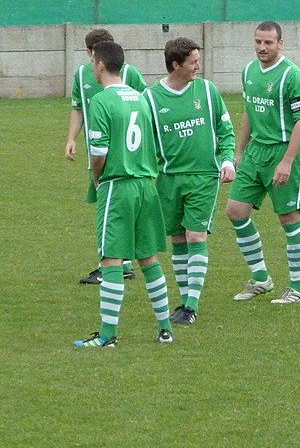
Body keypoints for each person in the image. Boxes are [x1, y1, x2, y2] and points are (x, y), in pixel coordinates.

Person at [73, 41, 172, 348]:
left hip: (118, 185)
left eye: (93, 62)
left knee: (111, 260)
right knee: (148, 257)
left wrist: (98, 178)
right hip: (146, 185)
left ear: (100, 65)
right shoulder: (141, 98)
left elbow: (99, 152)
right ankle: (165, 329)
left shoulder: (101, 101)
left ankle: (107, 336)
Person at [143, 37, 236, 325]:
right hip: (168, 179)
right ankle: (184, 303)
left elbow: (226, 129)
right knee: (178, 239)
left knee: (196, 235)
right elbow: (147, 144)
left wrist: (228, 158)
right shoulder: (150, 98)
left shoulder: (207, 91)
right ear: (175, 65)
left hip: (203, 178)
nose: (198, 66)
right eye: (193, 62)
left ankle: (191, 306)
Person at [225, 21, 300, 304]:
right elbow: (248, 112)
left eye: (268, 43)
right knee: (236, 210)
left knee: (288, 218)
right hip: (255, 153)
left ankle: (296, 288)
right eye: (258, 42)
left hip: (281, 151)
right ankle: (261, 278)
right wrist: (239, 152)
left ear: (280, 44)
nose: (262, 47)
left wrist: (287, 162)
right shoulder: (248, 71)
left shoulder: (291, 75)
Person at [65, 28, 148, 285]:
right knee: (114, 208)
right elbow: (78, 108)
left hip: (119, 157)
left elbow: (145, 105)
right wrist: (71, 138)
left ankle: (115, 264)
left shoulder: (129, 74)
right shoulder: (81, 75)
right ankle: (122, 262)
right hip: (99, 151)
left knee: (112, 208)